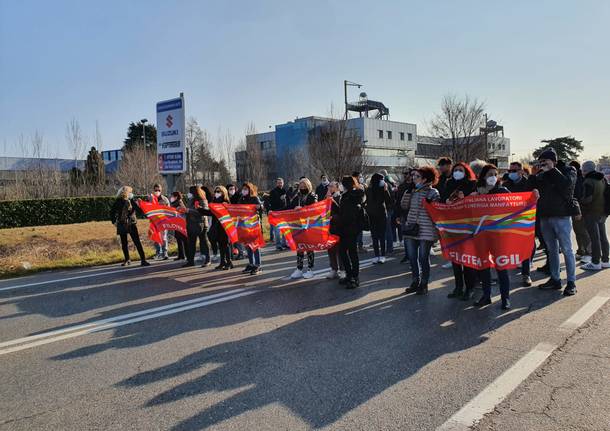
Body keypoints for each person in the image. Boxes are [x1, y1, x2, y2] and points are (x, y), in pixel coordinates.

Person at [528, 148, 579, 296]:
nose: (542, 164)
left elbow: (566, 186)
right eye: (541, 161)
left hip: (562, 216)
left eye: (545, 161)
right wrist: (533, 175)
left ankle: (571, 282)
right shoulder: (541, 174)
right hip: (545, 216)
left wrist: (552, 170)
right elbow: (530, 188)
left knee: (567, 249)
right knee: (551, 250)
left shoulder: (568, 170)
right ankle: (555, 279)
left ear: (554, 161)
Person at [471, 164, 512, 309]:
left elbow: (515, 207)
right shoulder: (477, 193)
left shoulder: (503, 191)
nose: (493, 177)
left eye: (495, 174)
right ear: (483, 176)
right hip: (481, 235)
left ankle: (505, 298)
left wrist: (533, 197)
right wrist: (469, 199)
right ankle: (486, 296)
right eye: (490, 174)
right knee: (483, 267)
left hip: (499, 235)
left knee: (501, 267)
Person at [440, 162, 478, 299]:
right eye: (455, 170)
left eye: (460, 170)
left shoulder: (472, 184)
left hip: (467, 227)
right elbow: (442, 200)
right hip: (452, 226)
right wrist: (447, 201)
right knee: (455, 259)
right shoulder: (449, 184)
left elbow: (476, 204)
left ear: (466, 172)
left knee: (467, 259)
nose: (457, 172)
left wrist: (465, 199)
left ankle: (470, 288)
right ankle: (458, 287)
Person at [401, 167, 441, 295]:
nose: (413, 178)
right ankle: (415, 281)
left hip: (426, 230)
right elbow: (404, 206)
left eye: (417, 176)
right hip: (411, 229)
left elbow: (436, 211)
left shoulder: (433, 192)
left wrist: (430, 202)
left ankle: (424, 284)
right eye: (413, 176)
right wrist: (407, 193)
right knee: (412, 258)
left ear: (425, 179)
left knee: (423, 258)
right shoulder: (411, 190)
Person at [503, 161, 535, 286]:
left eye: (514, 171)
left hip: (524, 220)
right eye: (510, 171)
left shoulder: (529, 184)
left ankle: (526, 274)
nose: (511, 173)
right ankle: (504, 275)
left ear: (521, 171)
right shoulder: (505, 185)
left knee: (525, 247)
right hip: (509, 220)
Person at [580, 161, 610, 270]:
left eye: (583, 169)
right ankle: (606, 260)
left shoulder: (588, 181)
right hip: (602, 212)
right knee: (603, 237)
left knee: (594, 238)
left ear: (586, 170)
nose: (582, 172)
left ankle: (595, 262)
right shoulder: (602, 179)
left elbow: (587, 199)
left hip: (591, 213)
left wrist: (580, 201)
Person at [338, 176, 366, 288]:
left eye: (342, 184)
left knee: (352, 253)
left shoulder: (353, 196)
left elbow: (348, 214)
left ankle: (355, 277)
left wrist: (338, 218)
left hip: (351, 228)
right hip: (345, 229)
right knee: (343, 252)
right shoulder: (346, 196)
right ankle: (349, 275)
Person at [110, 186, 149, 267]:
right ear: (126, 193)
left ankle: (142, 259)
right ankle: (129, 259)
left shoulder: (131, 201)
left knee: (136, 242)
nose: (131, 193)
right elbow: (112, 212)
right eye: (130, 192)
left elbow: (140, 211)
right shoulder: (119, 201)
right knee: (126, 243)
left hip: (130, 224)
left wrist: (141, 204)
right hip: (124, 223)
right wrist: (114, 222)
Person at [289, 178, 318, 279]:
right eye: (301, 187)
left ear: (308, 186)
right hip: (298, 226)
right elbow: (289, 207)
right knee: (299, 248)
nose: (302, 188)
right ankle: (299, 269)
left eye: (304, 186)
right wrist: (274, 211)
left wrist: (302, 209)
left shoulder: (313, 195)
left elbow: (314, 208)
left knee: (309, 248)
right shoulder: (297, 197)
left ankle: (310, 269)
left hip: (309, 226)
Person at [200, 186, 234, 270]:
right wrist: (200, 210)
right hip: (216, 226)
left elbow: (230, 212)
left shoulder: (226, 201)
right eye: (215, 191)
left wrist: (226, 207)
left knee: (225, 244)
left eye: (218, 191)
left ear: (223, 192)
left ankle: (229, 262)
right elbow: (211, 213)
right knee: (220, 245)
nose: (216, 193)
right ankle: (222, 262)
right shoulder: (214, 201)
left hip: (224, 225)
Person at [365, 173, 394, 263]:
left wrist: (385, 190)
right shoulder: (368, 190)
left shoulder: (383, 189)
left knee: (381, 236)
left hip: (381, 214)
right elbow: (366, 201)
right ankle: (376, 255)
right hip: (372, 215)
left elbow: (389, 201)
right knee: (374, 236)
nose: (383, 181)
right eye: (381, 179)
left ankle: (382, 255)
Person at [238, 182, 264, 275]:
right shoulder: (242, 198)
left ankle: (258, 265)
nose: (244, 191)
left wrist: (259, 206)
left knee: (255, 246)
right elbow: (238, 209)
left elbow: (261, 208)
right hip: (244, 226)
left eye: (246, 189)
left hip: (254, 226)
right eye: (243, 189)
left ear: (250, 190)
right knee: (248, 246)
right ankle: (251, 264)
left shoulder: (254, 198)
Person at [569, 161, 592, 263]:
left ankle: (588, 253)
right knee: (578, 231)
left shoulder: (579, 179)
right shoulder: (576, 178)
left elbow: (578, 194)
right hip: (576, 208)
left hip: (581, 208)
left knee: (582, 231)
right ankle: (581, 250)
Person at [183, 186, 210, 267]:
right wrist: (184, 210)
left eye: (190, 192)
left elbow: (203, 211)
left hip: (201, 225)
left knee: (204, 243)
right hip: (191, 224)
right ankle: (190, 261)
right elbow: (189, 210)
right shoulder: (191, 200)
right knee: (191, 243)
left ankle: (207, 260)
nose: (189, 194)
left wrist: (188, 210)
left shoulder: (202, 200)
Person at [325, 181, 345, 280]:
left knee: (340, 249)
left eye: (332, 186)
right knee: (331, 249)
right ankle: (333, 269)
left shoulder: (340, 197)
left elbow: (342, 212)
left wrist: (334, 217)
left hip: (338, 227)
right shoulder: (326, 198)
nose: (330, 188)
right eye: (329, 186)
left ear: (337, 188)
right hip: (329, 228)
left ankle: (342, 270)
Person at [394, 169, 415, 263]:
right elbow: (398, 201)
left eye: (407, 174)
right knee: (406, 236)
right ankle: (407, 255)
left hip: (414, 215)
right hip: (403, 214)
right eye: (404, 174)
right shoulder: (402, 186)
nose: (405, 175)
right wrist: (397, 215)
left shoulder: (415, 186)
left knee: (414, 237)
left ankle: (413, 257)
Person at [147, 183, 170, 260]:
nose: (157, 191)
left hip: (163, 221)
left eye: (159, 190)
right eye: (156, 190)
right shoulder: (151, 199)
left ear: (161, 190)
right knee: (156, 237)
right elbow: (147, 209)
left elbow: (169, 210)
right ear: (153, 190)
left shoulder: (165, 199)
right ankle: (158, 253)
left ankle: (165, 252)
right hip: (154, 222)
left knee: (164, 238)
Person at [267, 177, 288, 250]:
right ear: (276, 183)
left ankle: (284, 243)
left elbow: (288, 201)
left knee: (285, 229)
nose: (280, 184)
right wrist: (280, 199)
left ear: (283, 183)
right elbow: (270, 202)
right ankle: (278, 245)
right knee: (277, 230)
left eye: (281, 182)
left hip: (284, 212)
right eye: (278, 183)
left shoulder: (285, 191)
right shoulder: (273, 191)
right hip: (276, 212)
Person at [169, 191, 187, 261]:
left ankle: (185, 255)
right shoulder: (174, 203)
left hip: (180, 223)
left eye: (172, 196)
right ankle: (181, 255)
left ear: (176, 196)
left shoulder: (179, 202)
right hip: (176, 222)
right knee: (178, 239)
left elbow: (183, 211)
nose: (171, 198)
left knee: (183, 239)